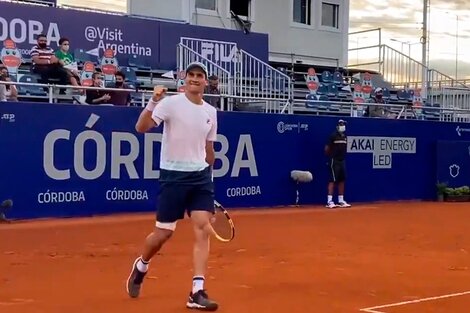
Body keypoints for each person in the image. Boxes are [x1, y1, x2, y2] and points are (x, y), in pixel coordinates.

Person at [126, 61, 219, 311]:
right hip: (173, 177)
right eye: (192, 75)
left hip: (200, 177)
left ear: (205, 82)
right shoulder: (169, 104)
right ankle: (141, 265)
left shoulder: (211, 111)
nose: (195, 79)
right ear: (184, 79)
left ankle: (197, 291)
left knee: (202, 228)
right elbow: (141, 128)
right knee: (163, 234)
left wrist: (210, 181)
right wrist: (153, 102)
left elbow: (209, 150)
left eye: (200, 76)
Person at [324, 119, 352, 209]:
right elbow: (327, 149)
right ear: (338, 125)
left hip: (342, 160)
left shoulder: (345, 136)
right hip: (334, 160)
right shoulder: (333, 135)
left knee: (341, 180)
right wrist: (332, 156)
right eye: (341, 124)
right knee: (332, 180)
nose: (343, 125)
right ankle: (329, 201)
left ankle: (341, 200)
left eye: (344, 124)